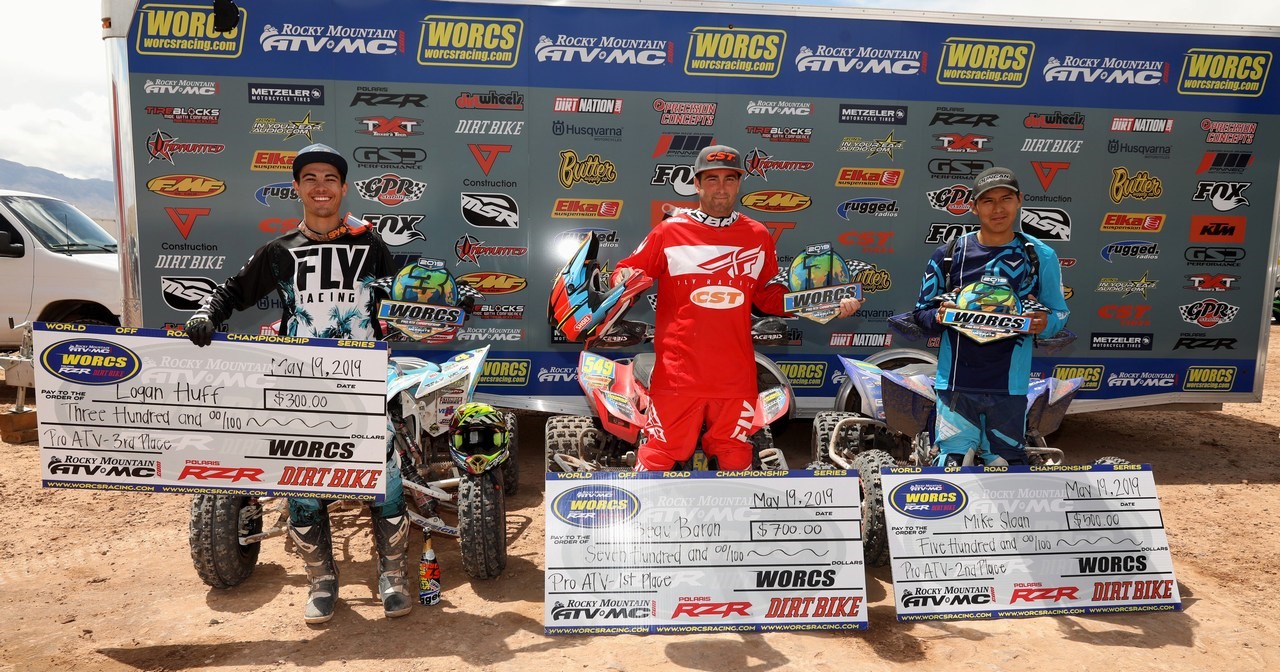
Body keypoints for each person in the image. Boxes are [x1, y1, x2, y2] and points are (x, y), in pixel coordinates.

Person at [184, 143, 407, 623]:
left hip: (363, 380)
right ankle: (322, 581)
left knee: (386, 475)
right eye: (310, 178)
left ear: (343, 188)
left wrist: (449, 298)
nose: (320, 187)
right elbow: (232, 290)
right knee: (301, 482)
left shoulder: (370, 246)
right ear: (297, 188)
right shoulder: (280, 251)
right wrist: (207, 314)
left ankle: (392, 575)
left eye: (329, 178)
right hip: (299, 383)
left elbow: (409, 293)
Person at [612, 144, 862, 471]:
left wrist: (826, 305)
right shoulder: (669, 231)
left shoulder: (757, 235)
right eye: (711, 179)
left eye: (729, 179)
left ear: (739, 183)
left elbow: (769, 297)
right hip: (678, 375)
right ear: (697, 184)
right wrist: (623, 280)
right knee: (659, 454)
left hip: (736, 376)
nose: (721, 187)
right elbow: (628, 271)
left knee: (736, 456)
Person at [910, 166, 1069, 466]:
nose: (998, 209)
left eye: (1006, 199)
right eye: (988, 201)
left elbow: (1059, 312)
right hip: (956, 386)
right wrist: (940, 316)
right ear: (974, 207)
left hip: (1010, 388)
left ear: (1020, 200)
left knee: (1007, 467)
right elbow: (921, 313)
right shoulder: (950, 254)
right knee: (952, 466)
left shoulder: (1040, 255)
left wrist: (1046, 323)